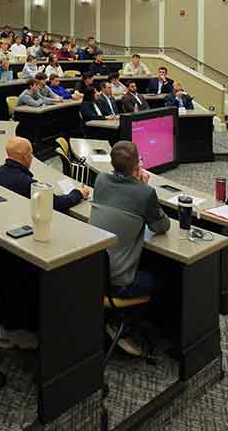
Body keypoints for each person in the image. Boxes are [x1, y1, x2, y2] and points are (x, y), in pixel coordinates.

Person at [0, 137, 88, 350]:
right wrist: (79, 193)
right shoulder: (27, 184)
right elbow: (57, 204)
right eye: (31, 154)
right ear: (26, 157)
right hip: (21, 250)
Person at [90, 141, 170, 354]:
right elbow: (161, 226)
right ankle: (125, 327)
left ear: (111, 162)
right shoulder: (144, 193)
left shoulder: (100, 180)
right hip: (118, 281)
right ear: (137, 166)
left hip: (93, 272)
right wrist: (144, 187)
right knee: (165, 277)